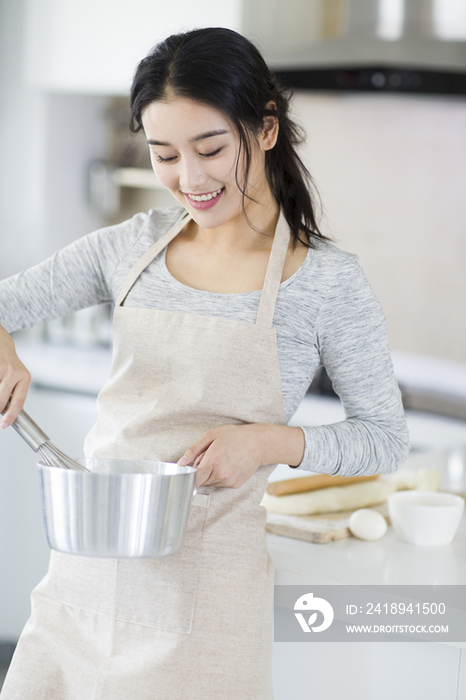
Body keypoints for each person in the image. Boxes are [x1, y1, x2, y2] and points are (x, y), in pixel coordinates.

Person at [0, 26, 409, 700]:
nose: (189, 179)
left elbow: (383, 439)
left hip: (205, 610)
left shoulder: (327, 282)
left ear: (266, 129)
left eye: (211, 148)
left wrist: (268, 442)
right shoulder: (129, 248)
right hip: (82, 586)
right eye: (164, 154)